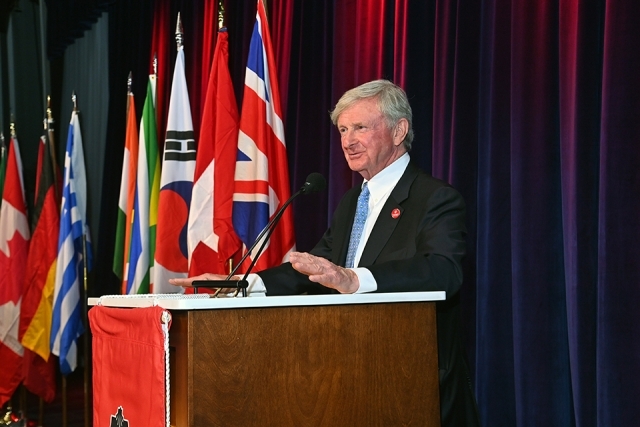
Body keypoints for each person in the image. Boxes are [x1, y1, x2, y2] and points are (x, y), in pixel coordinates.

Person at [170, 79, 481, 426]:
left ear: (399, 131)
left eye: (360, 127)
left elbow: (443, 271)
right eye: (343, 129)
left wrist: (354, 279)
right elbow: (315, 270)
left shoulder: (435, 198)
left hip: (412, 383)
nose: (347, 141)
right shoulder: (353, 201)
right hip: (348, 376)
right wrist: (244, 284)